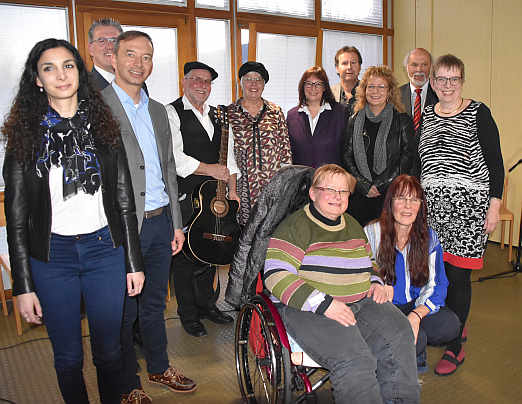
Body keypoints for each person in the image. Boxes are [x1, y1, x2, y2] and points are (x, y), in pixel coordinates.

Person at [2, 38, 145, 404]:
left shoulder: (103, 127)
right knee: (67, 358)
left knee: (110, 353)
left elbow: (124, 200)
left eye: (68, 65)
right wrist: (22, 285)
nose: (60, 75)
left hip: (104, 252)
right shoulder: (25, 136)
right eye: (48, 68)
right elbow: (17, 218)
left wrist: (133, 263)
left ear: (79, 73)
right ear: (37, 80)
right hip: (53, 258)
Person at [264, 164, 420, 404]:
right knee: (355, 359)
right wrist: (325, 304)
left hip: (360, 301)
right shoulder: (295, 227)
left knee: (400, 333)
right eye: (329, 189)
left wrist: (376, 282)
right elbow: (276, 275)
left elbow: (369, 263)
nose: (337, 196)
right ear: (313, 193)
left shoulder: (353, 225)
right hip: (310, 309)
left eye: (343, 191)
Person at [101, 31, 196, 401]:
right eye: (131, 55)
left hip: (160, 223)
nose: (139, 63)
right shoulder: (99, 107)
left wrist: (176, 222)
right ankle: (128, 384)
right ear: (113, 59)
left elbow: (168, 168)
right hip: (123, 227)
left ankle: (158, 367)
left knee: (155, 304)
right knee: (124, 312)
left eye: (146, 57)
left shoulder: (158, 111)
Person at [417, 54, 504, 375]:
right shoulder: (427, 113)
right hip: (433, 210)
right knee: (435, 272)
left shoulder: (479, 112)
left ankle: (456, 346)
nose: (447, 86)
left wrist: (494, 206)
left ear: (462, 81)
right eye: (441, 79)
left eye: (454, 79)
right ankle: (454, 323)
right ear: (433, 82)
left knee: (458, 276)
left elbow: (495, 163)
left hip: (469, 211)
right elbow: (420, 162)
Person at [166, 61, 238, 337]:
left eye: (206, 81)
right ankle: (188, 314)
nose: (201, 85)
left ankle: (208, 305)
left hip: (215, 197)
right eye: (196, 79)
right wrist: (210, 170)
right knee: (185, 257)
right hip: (187, 195)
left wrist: (232, 189)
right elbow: (175, 156)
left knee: (210, 252)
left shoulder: (217, 116)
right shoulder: (171, 112)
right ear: (184, 82)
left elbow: (228, 159)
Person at [364, 175, 461, 373]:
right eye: (401, 198)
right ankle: (412, 350)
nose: (407, 206)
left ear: (421, 205)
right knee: (416, 341)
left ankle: (413, 340)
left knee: (450, 325)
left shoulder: (428, 236)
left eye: (414, 199)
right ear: (390, 203)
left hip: (415, 304)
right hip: (384, 308)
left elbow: (438, 283)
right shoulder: (371, 232)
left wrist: (416, 316)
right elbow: (360, 274)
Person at [343, 65, 415, 227]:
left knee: (386, 243)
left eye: (381, 87)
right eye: (371, 86)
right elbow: (347, 156)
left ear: (389, 91)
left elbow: (407, 157)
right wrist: (363, 185)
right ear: (364, 90)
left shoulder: (402, 120)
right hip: (359, 195)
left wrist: (381, 185)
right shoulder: (354, 120)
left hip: (390, 194)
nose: (375, 91)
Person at [227, 61, 292, 226]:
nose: (253, 83)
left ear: (264, 84)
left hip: (272, 188)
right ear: (240, 82)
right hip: (242, 189)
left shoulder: (275, 112)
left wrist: (285, 188)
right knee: (242, 237)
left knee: (270, 234)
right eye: (248, 78)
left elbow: (285, 152)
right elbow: (226, 156)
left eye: (258, 79)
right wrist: (231, 189)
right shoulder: (229, 113)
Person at [286, 66, 347, 167]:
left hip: (331, 180)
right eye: (308, 84)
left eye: (318, 84)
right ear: (303, 87)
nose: (313, 88)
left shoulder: (340, 113)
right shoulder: (292, 116)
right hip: (301, 180)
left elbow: (347, 152)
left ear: (324, 87)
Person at [399, 48, 439, 132]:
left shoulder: (441, 95)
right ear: (406, 67)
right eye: (414, 65)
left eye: (424, 65)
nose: (419, 69)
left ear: (431, 67)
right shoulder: (395, 95)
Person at [87, 18, 123, 91]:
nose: (110, 46)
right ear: (91, 49)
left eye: (114, 41)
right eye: (102, 41)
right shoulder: (85, 87)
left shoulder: (135, 83)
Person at [330, 46, 362, 114]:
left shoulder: (370, 92)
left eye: (353, 63)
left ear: (359, 67)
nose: (349, 67)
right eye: (344, 63)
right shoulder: (329, 94)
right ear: (337, 68)